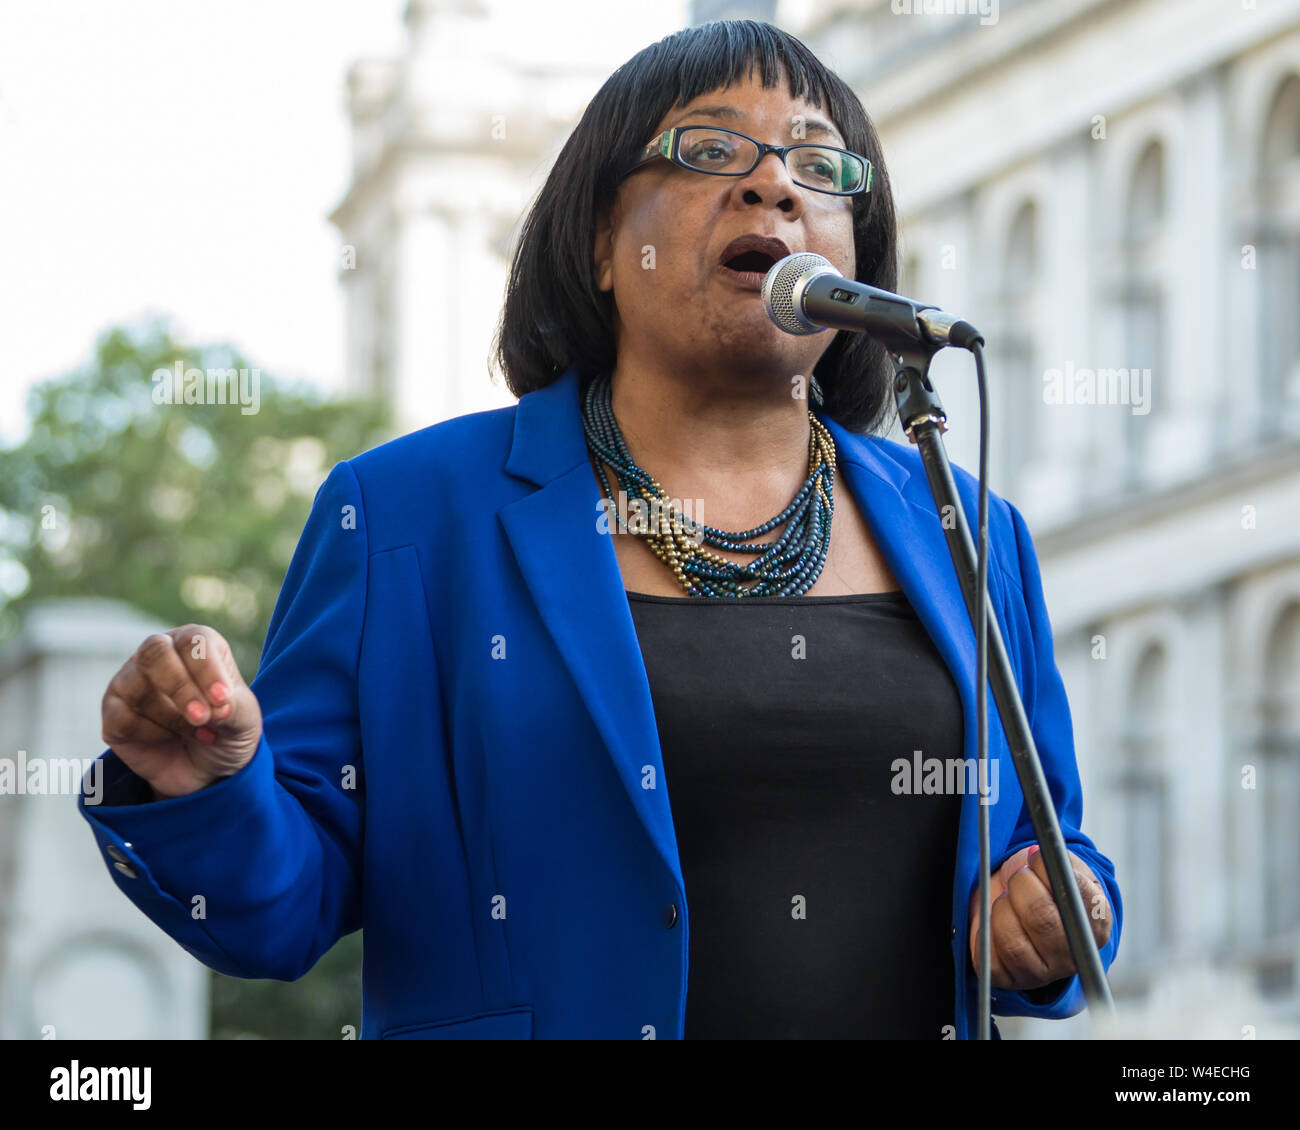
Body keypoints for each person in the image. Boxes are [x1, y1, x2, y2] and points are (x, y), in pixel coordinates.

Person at [80, 19, 1120, 1040]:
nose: (773, 184)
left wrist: (1051, 912)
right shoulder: (402, 517)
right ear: (601, 245)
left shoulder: (969, 528)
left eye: (818, 162)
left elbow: (1042, 848)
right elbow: (282, 908)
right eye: (710, 149)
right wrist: (209, 792)